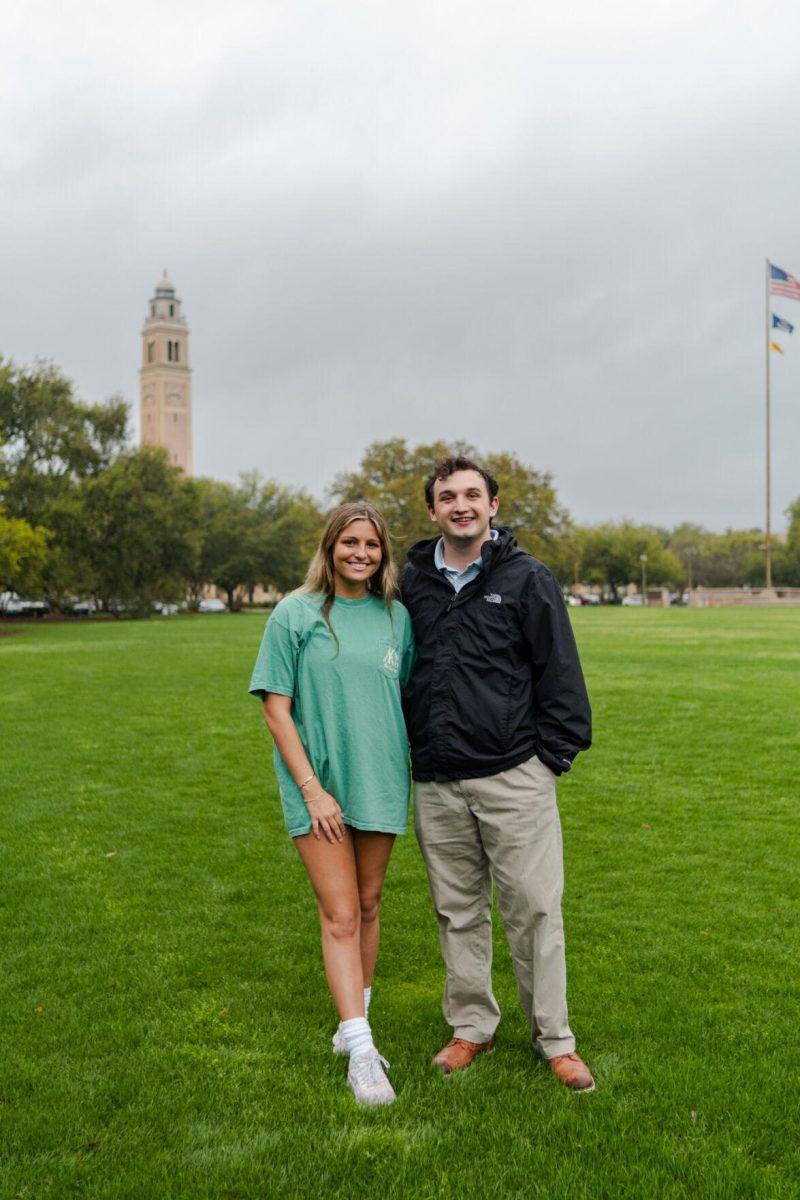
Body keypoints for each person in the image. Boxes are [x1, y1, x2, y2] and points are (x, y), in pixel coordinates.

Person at [400, 456, 595, 1091]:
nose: (460, 505)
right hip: (436, 780)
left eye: (472, 495)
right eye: (447, 496)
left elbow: (560, 674)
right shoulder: (410, 584)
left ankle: (555, 1038)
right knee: (457, 912)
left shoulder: (527, 579)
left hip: (514, 775)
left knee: (535, 909)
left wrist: (549, 760)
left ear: (493, 505)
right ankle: (471, 1027)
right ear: (432, 511)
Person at [248, 502, 414, 1107]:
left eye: (371, 544)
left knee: (368, 906)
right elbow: (275, 706)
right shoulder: (294, 613)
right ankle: (363, 1053)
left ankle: (353, 1028)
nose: (360, 553)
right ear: (329, 547)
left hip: (382, 779)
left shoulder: (397, 617)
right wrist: (312, 789)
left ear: (383, 554)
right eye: (349, 542)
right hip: (318, 788)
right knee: (340, 914)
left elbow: (400, 695)